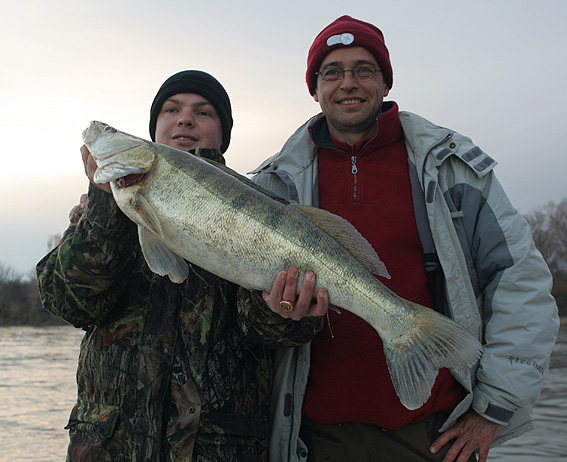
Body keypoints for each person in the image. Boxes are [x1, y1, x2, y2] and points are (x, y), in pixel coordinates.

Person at [241, 16, 560, 462]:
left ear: (386, 83)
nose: (348, 83)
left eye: (364, 70)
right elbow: (252, 319)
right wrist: (275, 312)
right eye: (332, 72)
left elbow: (520, 283)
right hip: (312, 439)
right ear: (314, 90)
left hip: (430, 436)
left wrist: (492, 411)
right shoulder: (275, 185)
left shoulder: (452, 170)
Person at [36, 70, 325, 462]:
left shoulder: (256, 206)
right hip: (109, 447)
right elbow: (68, 303)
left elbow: (267, 335)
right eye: (171, 109)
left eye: (203, 112)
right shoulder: (103, 208)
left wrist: (281, 310)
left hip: (218, 449)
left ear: (223, 133)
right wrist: (106, 208)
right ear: (154, 128)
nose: (185, 119)